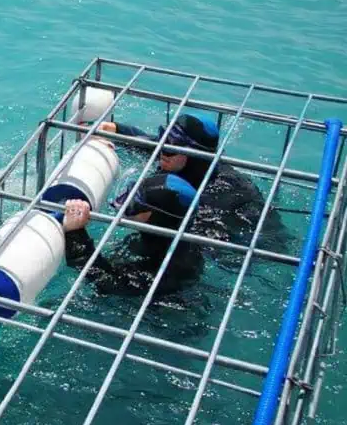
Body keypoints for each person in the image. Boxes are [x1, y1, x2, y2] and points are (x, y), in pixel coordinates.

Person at [94, 112, 288, 248]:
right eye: (164, 140)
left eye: (170, 147)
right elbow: (147, 142)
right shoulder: (173, 156)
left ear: (192, 156)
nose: (163, 150)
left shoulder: (224, 191)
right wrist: (115, 129)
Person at [61, 173, 204, 296]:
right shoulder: (158, 238)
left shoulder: (169, 273)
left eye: (133, 205)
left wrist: (75, 234)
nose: (121, 206)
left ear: (158, 218)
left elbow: (108, 282)